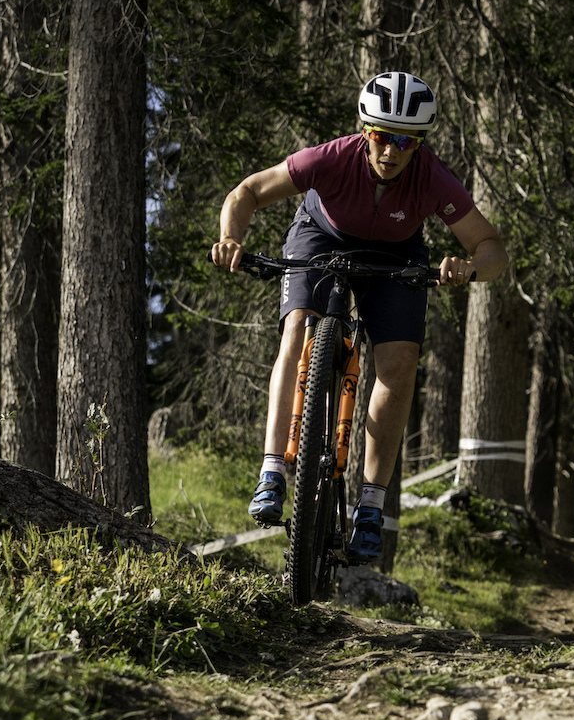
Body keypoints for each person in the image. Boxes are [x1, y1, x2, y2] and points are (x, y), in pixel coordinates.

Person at [210, 72, 508, 564]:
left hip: (396, 255)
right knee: (297, 333)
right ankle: (271, 472)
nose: (390, 150)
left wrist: (469, 267)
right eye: (380, 135)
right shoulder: (331, 158)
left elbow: (492, 249)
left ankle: (370, 505)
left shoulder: (432, 178)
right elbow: (247, 191)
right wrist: (232, 238)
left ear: (419, 144)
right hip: (320, 237)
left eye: (404, 141)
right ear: (363, 131)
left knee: (399, 363)